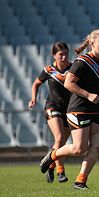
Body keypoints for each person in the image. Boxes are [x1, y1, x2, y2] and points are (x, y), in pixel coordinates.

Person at [39, 29, 99, 190]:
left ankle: (80, 181)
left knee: (98, 145)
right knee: (78, 149)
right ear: (91, 44)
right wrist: (88, 95)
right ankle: (52, 156)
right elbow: (69, 83)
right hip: (79, 109)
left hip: (97, 110)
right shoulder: (82, 61)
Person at [28, 42, 71, 183]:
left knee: (62, 144)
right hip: (53, 107)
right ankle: (61, 172)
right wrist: (33, 98)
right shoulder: (49, 70)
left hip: (69, 110)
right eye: (61, 54)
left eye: (66, 54)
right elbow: (36, 83)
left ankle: (50, 165)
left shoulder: (73, 69)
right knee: (59, 139)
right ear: (54, 55)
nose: (64, 57)